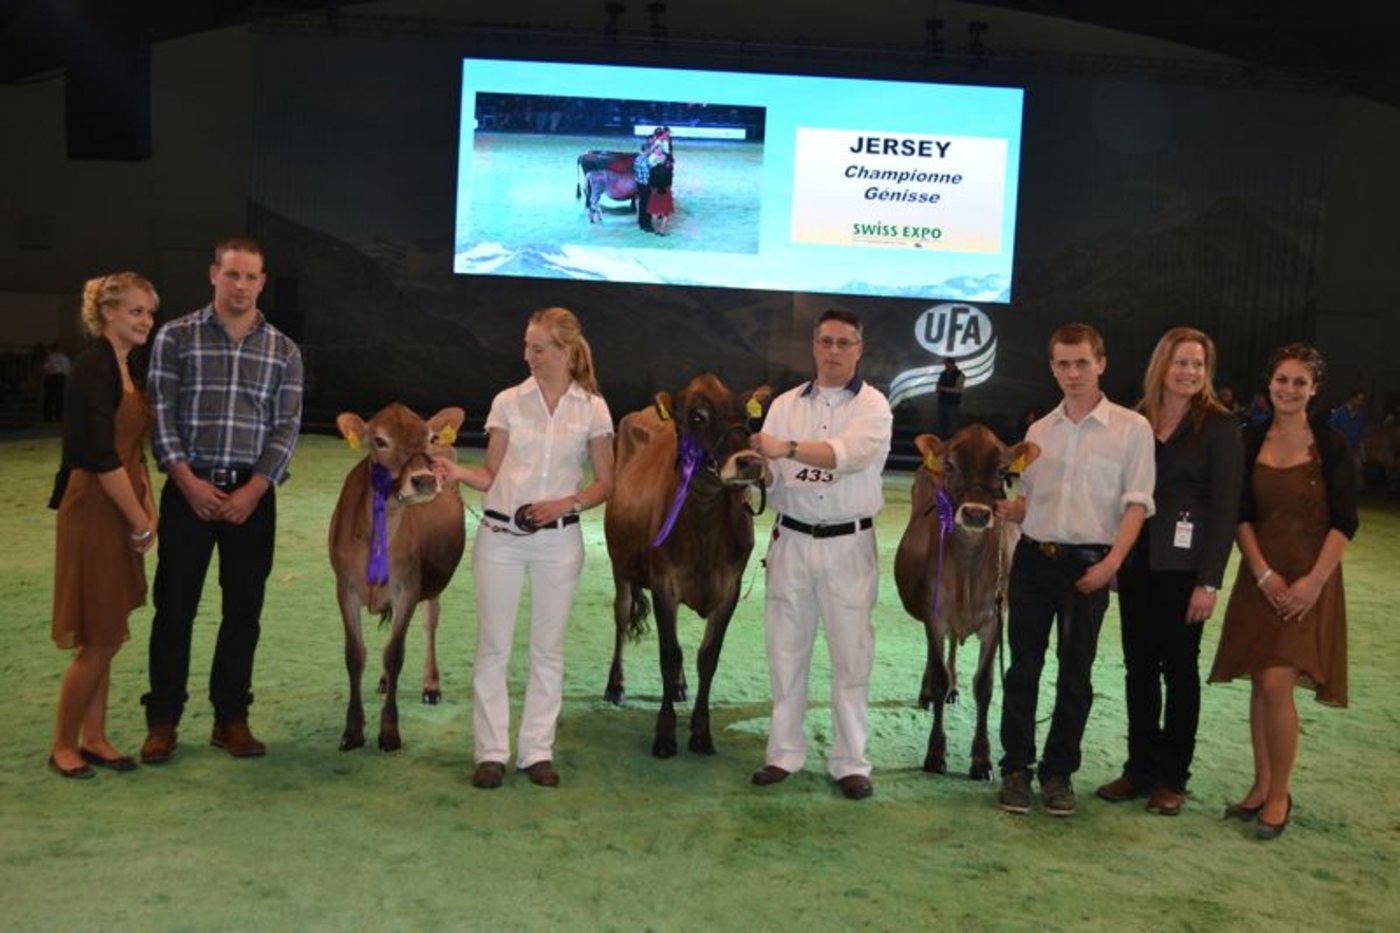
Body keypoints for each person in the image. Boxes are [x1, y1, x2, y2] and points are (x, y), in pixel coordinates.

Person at [435, 306, 614, 790]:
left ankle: (537, 751)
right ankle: (490, 752)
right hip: (500, 539)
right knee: (494, 646)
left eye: (538, 348)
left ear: (565, 351)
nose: (528, 356)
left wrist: (566, 503)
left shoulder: (593, 408)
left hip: (560, 542)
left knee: (547, 649)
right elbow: (489, 474)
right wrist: (458, 474)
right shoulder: (507, 402)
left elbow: (605, 484)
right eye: (527, 347)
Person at [140, 236, 303, 763]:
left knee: (243, 613)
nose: (240, 285)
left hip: (251, 500)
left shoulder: (283, 350)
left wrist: (255, 489)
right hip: (189, 490)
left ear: (262, 282)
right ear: (214, 275)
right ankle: (162, 721)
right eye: (231, 274)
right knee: (174, 610)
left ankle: (230, 719)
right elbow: (160, 413)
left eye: (250, 277)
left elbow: (285, 427)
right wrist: (186, 481)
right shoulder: (175, 337)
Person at [994, 323, 1155, 817]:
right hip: (1033, 562)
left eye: (1082, 362)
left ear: (1101, 364)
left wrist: (1111, 565)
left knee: (1075, 674)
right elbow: (1030, 500)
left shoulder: (1132, 429)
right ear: (1052, 369)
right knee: (1022, 669)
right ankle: (1016, 769)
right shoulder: (1039, 431)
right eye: (1063, 364)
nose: (1072, 373)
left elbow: (1137, 506)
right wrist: (1015, 512)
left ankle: (1058, 772)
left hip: (1090, 567)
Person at [1209, 343, 1357, 841]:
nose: (1289, 390)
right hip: (1261, 577)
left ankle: (1279, 795)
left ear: (1314, 389)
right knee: (1259, 682)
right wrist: (1263, 574)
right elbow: (1240, 513)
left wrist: (1312, 583)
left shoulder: (1333, 446)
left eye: (1299, 382)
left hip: (1309, 581)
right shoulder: (1247, 438)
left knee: (1277, 684)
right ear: (1269, 383)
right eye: (1281, 380)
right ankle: (1260, 785)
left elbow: (1345, 522)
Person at [1095, 328, 1243, 816]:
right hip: (1137, 565)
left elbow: (1226, 510)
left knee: (1179, 672)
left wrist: (1209, 581)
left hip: (1186, 571)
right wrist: (1115, 556)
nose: (1190, 372)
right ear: (1163, 365)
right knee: (1138, 668)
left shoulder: (1219, 427)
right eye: (1181, 362)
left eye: (1198, 365)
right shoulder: (1135, 420)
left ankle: (1173, 778)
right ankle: (1139, 769)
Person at [748, 308, 893, 800]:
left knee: (851, 656)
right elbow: (769, 475)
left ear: (859, 350)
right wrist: (755, 469)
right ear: (813, 346)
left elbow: (845, 455)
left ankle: (851, 761)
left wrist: (782, 448)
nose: (833, 351)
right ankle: (783, 753)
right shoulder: (785, 404)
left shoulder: (874, 407)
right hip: (791, 539)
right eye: (826, 342)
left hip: (849, 544)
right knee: (786, 652)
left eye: (843, 343)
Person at [46, 274, 160, 778]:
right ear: (108, 313)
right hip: (95, 509)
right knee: (97, 636)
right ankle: (63, 744)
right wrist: (138, 519)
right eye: (136, 311)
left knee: (109, 632)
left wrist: (148, 506)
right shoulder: (94, 367)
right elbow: (95, 457)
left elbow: (134, 451)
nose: (146, 321)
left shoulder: (127, 365)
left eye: (150, 313)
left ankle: (95, 736)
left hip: (123, 505)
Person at [1328, 389, 1366, 492]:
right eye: (1359, 399)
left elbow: (1361, 432)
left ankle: (1357, 491)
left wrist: (1362, 449)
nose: (1360, 402)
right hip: (1341, 447)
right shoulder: (1339, 413)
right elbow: (1331, 428)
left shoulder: (1361, 415)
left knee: (1357, 468)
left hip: (1354, 447)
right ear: (1352, 399)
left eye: (1362, 400)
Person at [935, 357, 965, 438]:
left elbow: (959, 390)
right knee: (942, 424)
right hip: (942, 402)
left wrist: (945, 389)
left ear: (952, 364)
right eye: (945, 364)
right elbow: (938, 386)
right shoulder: (942, 374)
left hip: (953, 404)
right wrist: (939, 388)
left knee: (952, 426)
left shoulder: (959, 374)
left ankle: (951, 442)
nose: (946, 366)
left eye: (948, 364)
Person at [42, 343, 71, 422]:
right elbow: (45, 368)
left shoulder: (64, 358)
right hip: (51, 377)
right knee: (49, 398)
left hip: (60, 377)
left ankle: (59, 417)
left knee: (60, 398)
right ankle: (48, 418)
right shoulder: (49, 357)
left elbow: (67, 369)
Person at [647, 158, 674, 235]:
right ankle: (662, 230)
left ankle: (656, 230)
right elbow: (670, 183)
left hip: (655, 192)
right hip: (666, 192)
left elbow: (650, 182)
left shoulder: (652, 170)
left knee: (654, 212)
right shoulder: (669, 170)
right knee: (666, 213)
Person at [634, 141, 655, 232]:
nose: (650, 151)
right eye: (649, 150)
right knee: (647, 205)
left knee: (642, 204)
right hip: (646, 185)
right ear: (646, 150)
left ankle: (641, 222)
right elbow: (648, 175)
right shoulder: (645, 161)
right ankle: (647, 225)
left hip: (639, 184)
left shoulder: (637, 159)